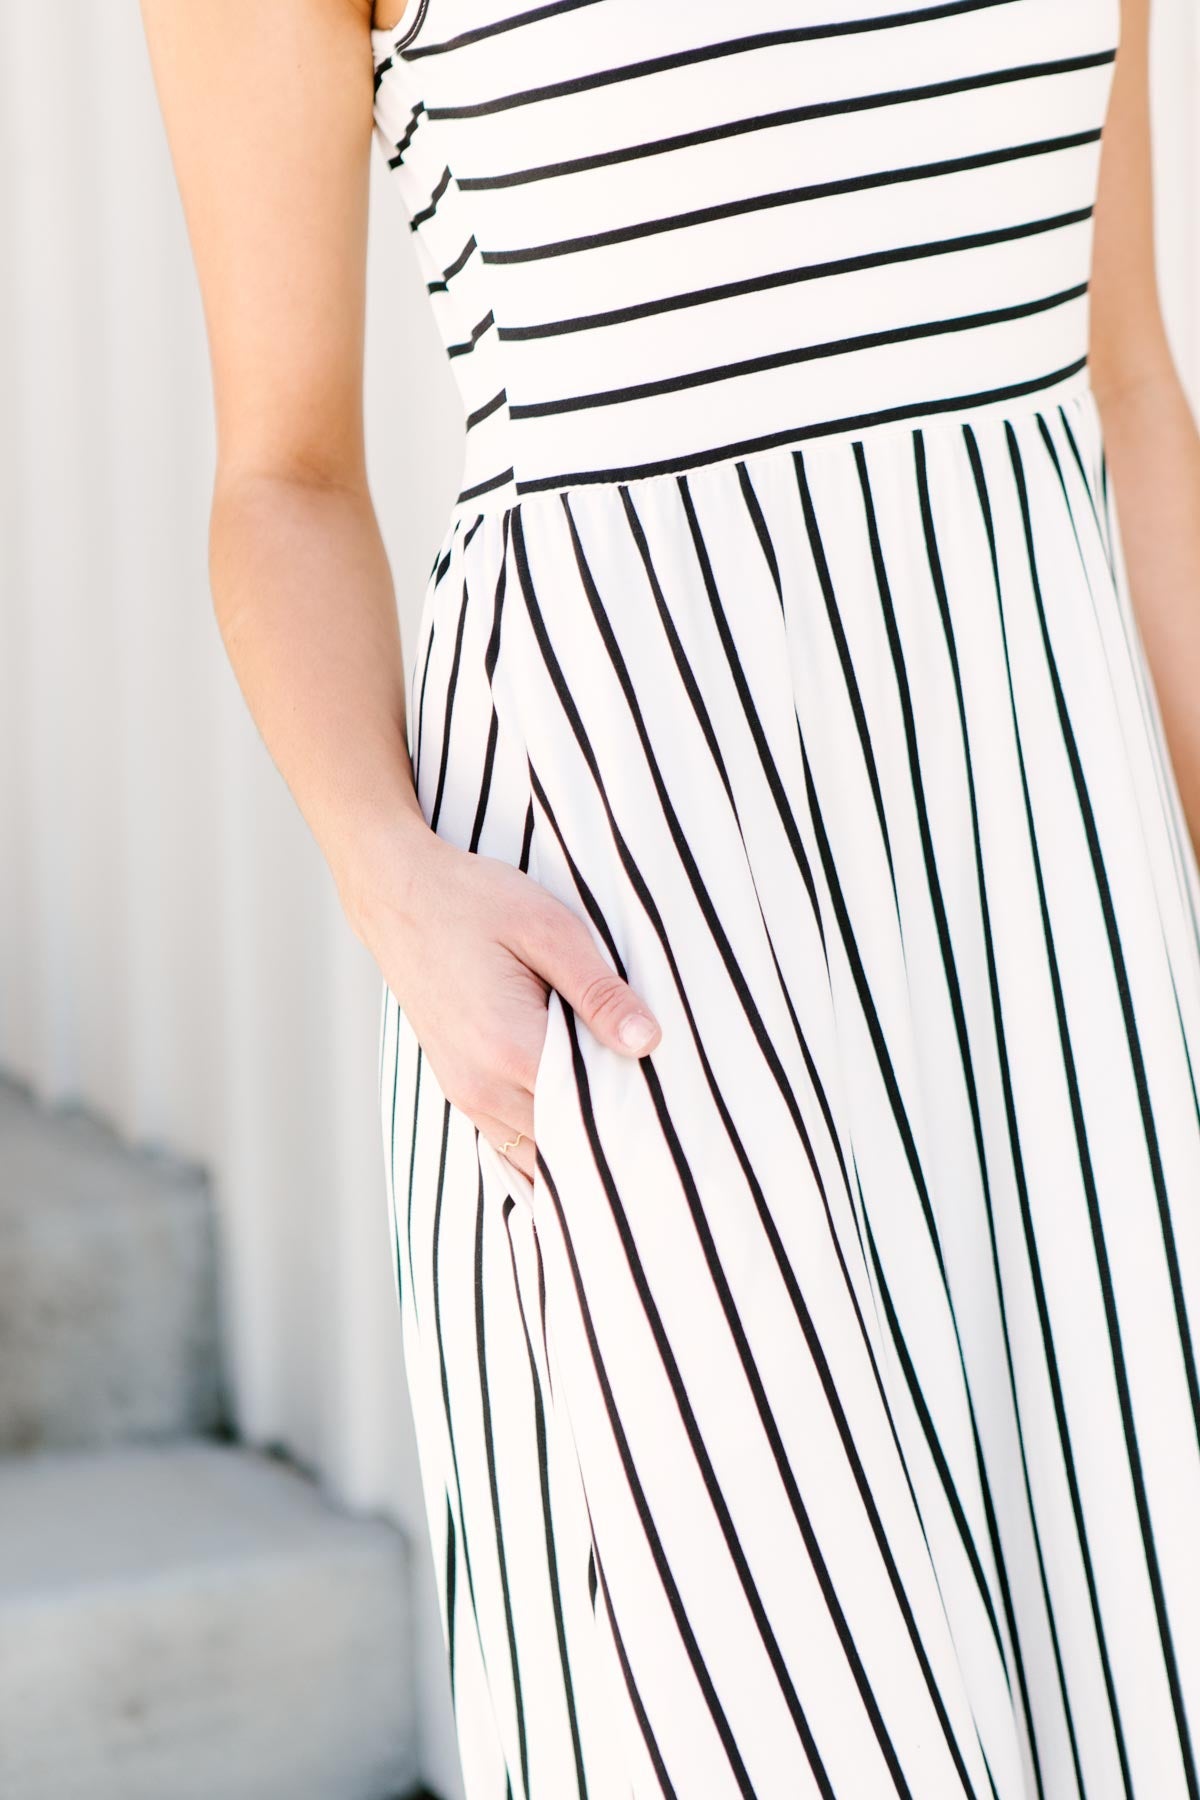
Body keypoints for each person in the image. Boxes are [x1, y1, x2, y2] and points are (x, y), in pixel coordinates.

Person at [141, 0, 1200, 1793]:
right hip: (646, 936)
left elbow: (1133, 397)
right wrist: (389, 875)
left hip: (1063, 917)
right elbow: (283, 478)